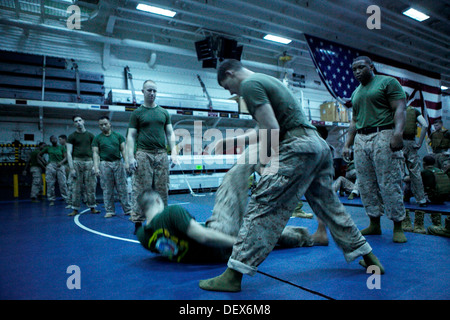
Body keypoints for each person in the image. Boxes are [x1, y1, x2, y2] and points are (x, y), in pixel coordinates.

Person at [199, 59, 383, 293]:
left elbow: (272, 130)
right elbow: (264, 128)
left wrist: (266, 163)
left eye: (227, 87)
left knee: (263, 206)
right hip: (317, 147)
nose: (232, 93)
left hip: (298, 148)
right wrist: (229, 141)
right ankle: (369, 257)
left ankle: (233, 274)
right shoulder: (267, 80)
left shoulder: (249, 85)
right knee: (331, 208)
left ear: (230, 73)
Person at [343, 56, 408, 243]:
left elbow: (400, 108)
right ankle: (374, 223)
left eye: (361, 67)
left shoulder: (387, 82)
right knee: (365, 183)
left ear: (371, 67)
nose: (357, 72)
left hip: (384, 134)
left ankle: (398, 225)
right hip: (361, 138)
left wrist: (398, 133)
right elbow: (354, 121)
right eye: (354, 69)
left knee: (389, 181)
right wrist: (348, 143)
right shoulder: (356, 93)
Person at [126, 80, 178, 234]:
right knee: (142, 189)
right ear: (143, 91)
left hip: (161, 154)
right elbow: (131, 136)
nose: (152, 93)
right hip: (143, 154)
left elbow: (170, 134)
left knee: (162, 189)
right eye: (149, 90)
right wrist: (130, 157)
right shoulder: (137, 113)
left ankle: (160, 220)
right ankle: (138, 221)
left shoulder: (163, 112)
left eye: (154, 91)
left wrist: (173, 153)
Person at [92, 116, 132, 218]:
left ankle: (128, 209)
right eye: (101, 125)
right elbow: (95, 153)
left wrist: (126, 163)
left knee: (122, 188)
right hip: (105, 164)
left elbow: (123, 150)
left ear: (110, 124)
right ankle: (110, 210)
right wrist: (96, 167)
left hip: (118, 163)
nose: (103, 126)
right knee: (107, 189)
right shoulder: (97, 138)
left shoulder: (118, 136)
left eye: (105, 124)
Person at [66, 115, 99, 216]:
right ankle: (75, 209)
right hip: (77, 162)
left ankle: (92, 207)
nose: (78, 122)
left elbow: (96, 152)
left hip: (89, 162)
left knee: (91, 186)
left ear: (83, 121)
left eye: (80, 120)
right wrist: (71, 168)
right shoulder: (71, 136)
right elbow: (68, 153)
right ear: (74, 124)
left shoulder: (91, 135)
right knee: (76, 187)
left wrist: (95, 166)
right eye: (76, 121)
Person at [402, 102, 428, 207]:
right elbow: (425, 125)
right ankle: (421, 199)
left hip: (397, 143)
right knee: (415, 172)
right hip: (411, 143)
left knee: (395, 172)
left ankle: (396, 199)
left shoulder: (392, 110)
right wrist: (420, 143)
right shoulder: (414, 111)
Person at [38, 135, 68, 206]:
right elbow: (39, 155)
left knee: (63, 183)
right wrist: (45, 163)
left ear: (57, 140)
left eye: (55, 138)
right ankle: (51, 199)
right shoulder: (48, 148)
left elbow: (66, 157)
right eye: (52, 139)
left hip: (60, 165)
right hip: (51, 165)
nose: (54, 140)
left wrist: (61, 162)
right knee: (50, 183)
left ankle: (66, 198)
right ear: (50, 141)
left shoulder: (61, 147)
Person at [58, 135, 73, 209]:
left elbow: (68, 157)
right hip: (67, 167)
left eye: (60, 139)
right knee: (68, 184)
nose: (59, 141)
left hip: (70, 167)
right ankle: (70, 201)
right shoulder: (63, 147)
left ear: (64, 139)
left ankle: (71, 202)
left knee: (70, 184)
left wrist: (69, 167)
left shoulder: (68, 146)